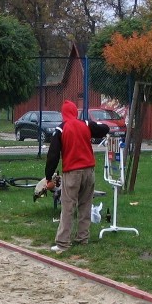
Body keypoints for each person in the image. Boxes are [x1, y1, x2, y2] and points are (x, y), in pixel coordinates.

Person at [44, 100, 109, 252]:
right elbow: (104, 129)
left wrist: (48, 177)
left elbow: (53, 155)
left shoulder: (61, 129)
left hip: (72, 172)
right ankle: (82, 238)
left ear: (63, 114)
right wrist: (96, 123)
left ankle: (63, 243)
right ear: (75, 112)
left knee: (68, 206)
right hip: (89, 171)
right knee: (85, 204)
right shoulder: (86, 124)